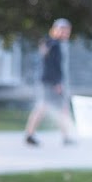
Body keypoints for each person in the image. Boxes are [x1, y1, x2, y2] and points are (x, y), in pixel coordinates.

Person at [24, 18, 76, 146]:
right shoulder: (54, 45)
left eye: (67, 31)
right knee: (43, 107)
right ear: (55, 30)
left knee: (60, 108)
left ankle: (65, 136)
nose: (66, 34)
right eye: (63, 31)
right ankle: (30, 134)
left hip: (48, 82)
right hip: (50, 83)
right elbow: (51, 67)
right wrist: (57, 83)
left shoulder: (50, 43)